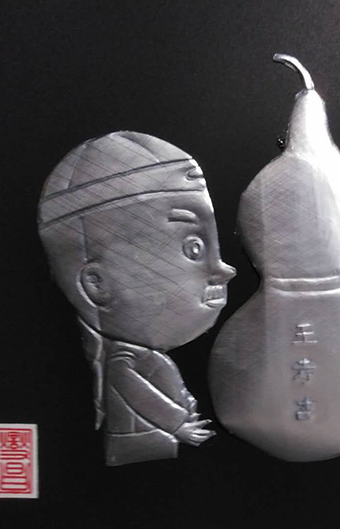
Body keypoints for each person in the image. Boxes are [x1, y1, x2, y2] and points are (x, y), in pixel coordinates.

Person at [38, 131, 236, 464]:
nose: (224, 269)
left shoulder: (140, 356)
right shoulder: (123, 361)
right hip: (141, 444)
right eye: (194, 248)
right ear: (97, 284)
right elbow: (143, 397)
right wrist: (178, 424)